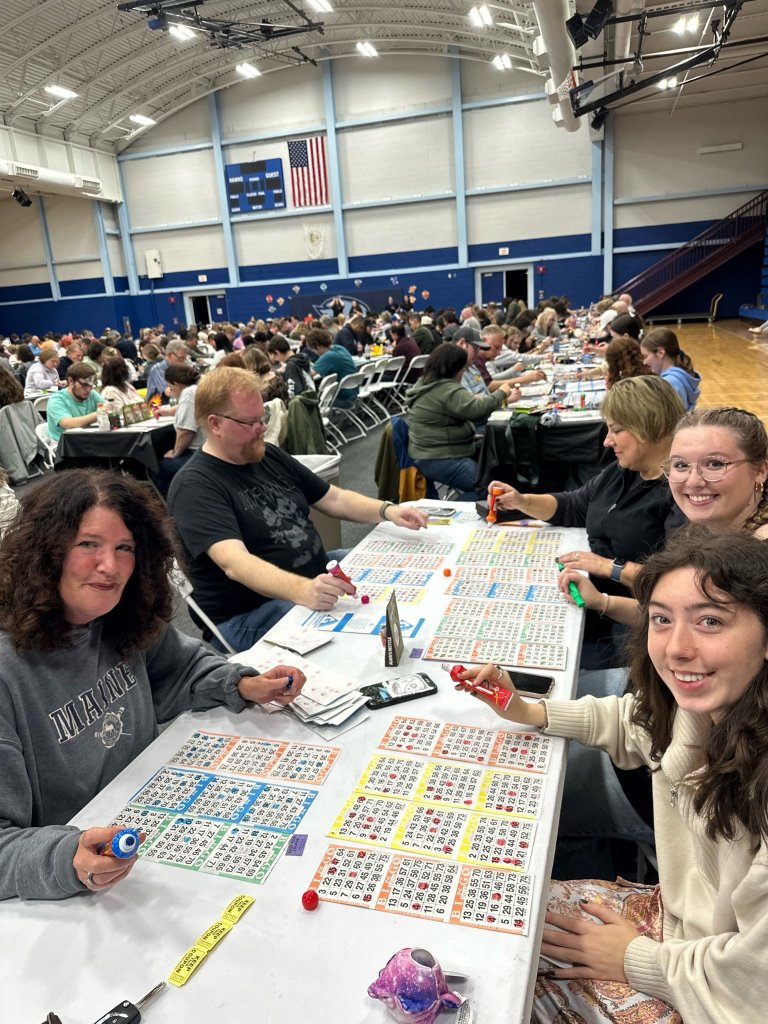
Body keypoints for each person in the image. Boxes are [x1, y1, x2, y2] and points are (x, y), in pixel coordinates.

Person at [457, 525, 768, 1024]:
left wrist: (634, 959)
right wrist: (530, 710)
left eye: (710, 621)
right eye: (662, 621)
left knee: (488, 986)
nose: (676, 649)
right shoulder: (701, 708)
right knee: (493, 916)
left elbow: (755, 985)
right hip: (682, 926)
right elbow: (633, 720)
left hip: (713, 985)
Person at [0, 470, 307, 901]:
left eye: (124, 548)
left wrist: (241, 683)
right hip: (75, 889)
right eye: (88, 544)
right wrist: (64, 856)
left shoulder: (120, 617)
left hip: (151, 827)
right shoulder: (6, 670)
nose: (110, 566)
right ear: (45, 551)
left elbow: (180, 668)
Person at [168, 368, 428, 652]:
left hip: (312, 573)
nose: (262, 428)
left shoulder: (267, 454)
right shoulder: (194, 487)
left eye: (262, 417)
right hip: (251, 612)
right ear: (215, 424)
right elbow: (235, 564)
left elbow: (333, 499)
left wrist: (388, 511)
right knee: (360, 640)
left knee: (396, 563)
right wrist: (303, 591)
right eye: (251, 422)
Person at [489, 375, 686, 667]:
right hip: (590, 601)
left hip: (629, 626)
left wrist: (608, 567)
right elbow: (573, 506)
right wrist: (522, 501)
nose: (607, 441)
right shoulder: (624, 471)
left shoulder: (683, 494)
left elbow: (672, 584)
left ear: (648, 426)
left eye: (617, 430)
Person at [405, 343, 519, 500]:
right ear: (455, 369)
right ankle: (453, 512)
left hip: (431, 452)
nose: (463, 372)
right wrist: (501, 394)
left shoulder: (427, 383)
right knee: (493, 492)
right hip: (440, 456)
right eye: (462, 368)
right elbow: (477, 411)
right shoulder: (447, 389)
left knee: (496, 471)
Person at [152, 363, 203, 495]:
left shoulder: (188, 393)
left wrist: (176, 453)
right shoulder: (196, 388)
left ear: (177, 384)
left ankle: (171, 506)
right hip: (207, 448)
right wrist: (167, 412)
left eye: (170, 386)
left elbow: (186, 432)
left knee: (158, 467)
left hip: (196, 452)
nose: (170, 390)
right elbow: (187, 408)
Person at [640, 327, 701, 411]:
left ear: (660, 352)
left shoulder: (669, 383)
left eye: (645, 356)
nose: (644, 362)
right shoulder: (683, 375)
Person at [45, 364, 104, 444]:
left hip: (88, 441)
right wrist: (99, 413)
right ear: (71, 381)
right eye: (84, 385)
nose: (88, 389)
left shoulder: (92, 393)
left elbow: (108, 408)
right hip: (65, 447)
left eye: (91, 385)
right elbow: (69, 423)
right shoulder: (57, 400)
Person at [307, 327, 359, 407]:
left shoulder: (327, 357)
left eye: (312, 349)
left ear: (318, 347)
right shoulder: (339, 348)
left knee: (307, 401)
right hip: (353, 393)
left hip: (343, 398)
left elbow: (308, 375)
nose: (313, 352)